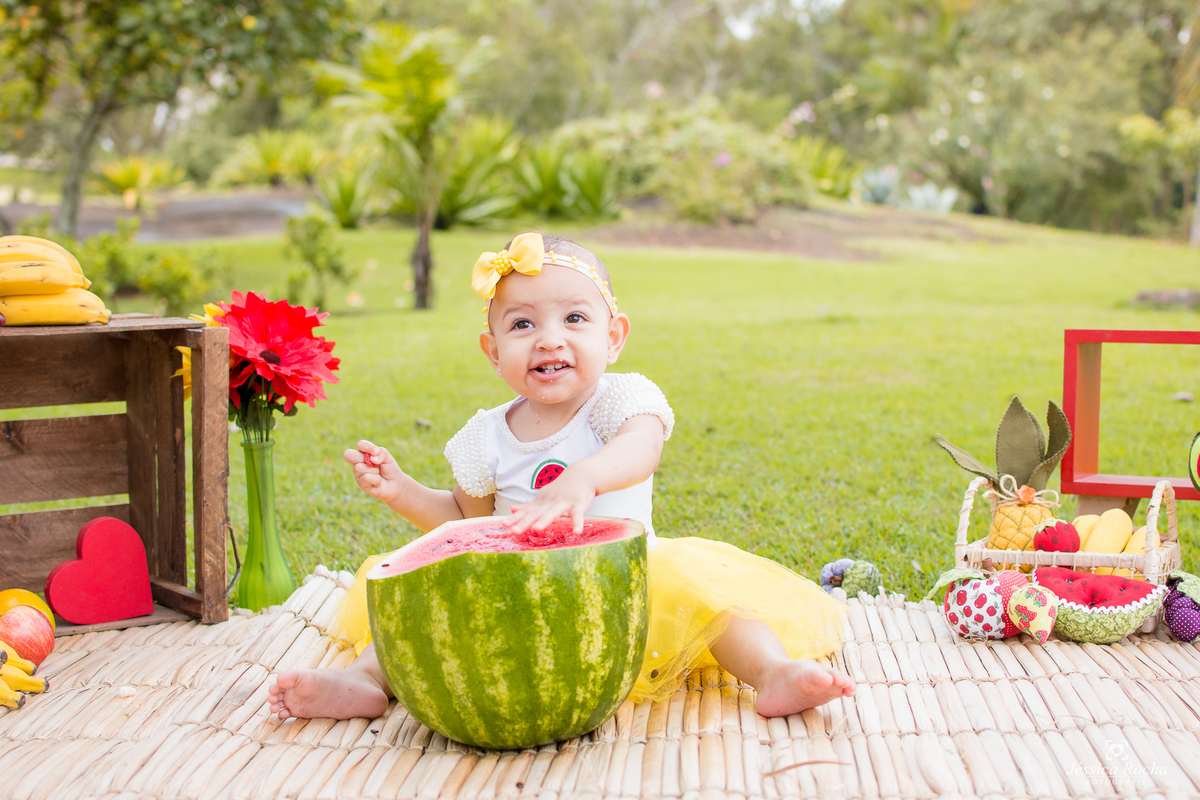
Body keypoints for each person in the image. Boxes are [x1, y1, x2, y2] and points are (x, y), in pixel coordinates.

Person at [268, 232, 854, 722]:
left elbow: (641, 449)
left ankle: (773, 673)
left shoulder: (619, 401)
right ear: (492, 351)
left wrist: (585, 479)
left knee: (715, 606)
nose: (550, 338)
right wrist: (404, 493)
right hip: (512, 592)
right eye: (522, 325)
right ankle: (365, 683)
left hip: (629, 584)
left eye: (575, 318)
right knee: (419, 611)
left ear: (614, 336)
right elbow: (468, 525)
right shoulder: (484, 436)